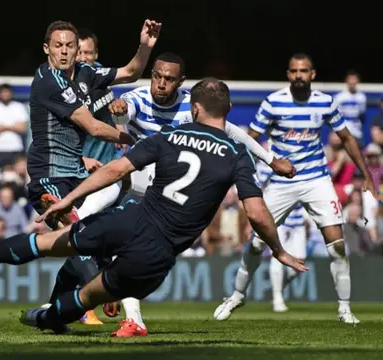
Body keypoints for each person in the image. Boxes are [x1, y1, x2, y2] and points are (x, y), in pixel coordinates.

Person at [0, 78, 308, 335]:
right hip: (156, 250)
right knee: (86, 297)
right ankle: (43, 317)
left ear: (195, 108)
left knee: (50, 242)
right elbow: (257, 213)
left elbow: (114, 169)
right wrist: (278, 250)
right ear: (228, 110)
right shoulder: (235, 156)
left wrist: (68, 199)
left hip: (128, 219)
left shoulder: (169, 136)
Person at [104, 51, 296, 337]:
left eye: (168, 79)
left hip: (170, 193)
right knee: (112, 200)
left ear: (180, 82)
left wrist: (270, 160)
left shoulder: (193, 107)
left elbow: (233, 132)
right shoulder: (138, 97)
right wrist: (119, 110)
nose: (160, 83)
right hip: (143, 177)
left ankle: (115, 292)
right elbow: (125, 109)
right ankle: (125, 307)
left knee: (135, 249)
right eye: (157, 76)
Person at [214, 53, 376, 324]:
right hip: (280, 183)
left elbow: (346, 138)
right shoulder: (273, 102)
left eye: (304, 71)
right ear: (288, 74)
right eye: (294, 71)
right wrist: (235, 169)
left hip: (317, 181)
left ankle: (345, 308)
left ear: (312, 74)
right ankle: (237, 295)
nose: (299, 75)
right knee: (255, 243)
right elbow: (250, 138)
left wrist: (367, 174)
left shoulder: (325, 102)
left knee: (337, 245)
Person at [25, 19, 160, 325]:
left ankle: (53, 313)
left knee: (88, 240)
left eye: (70, 46)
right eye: (58, 46)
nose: (65, 52)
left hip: (80, 175)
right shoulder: (49, 80)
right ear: (46, 49)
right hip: (50, 175)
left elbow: (130, 73)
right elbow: (94, 127)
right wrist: (138, 142)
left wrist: (145, 46)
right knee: (81, 237)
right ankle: (106, 293)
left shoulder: (86, 73)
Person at [255, 152, 307, 313]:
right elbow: (258, 187)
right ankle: (278, 298)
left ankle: (279, 290)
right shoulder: (269, 161)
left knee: (299, 262)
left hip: (297, 218)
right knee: (278, 256)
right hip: (277, 216)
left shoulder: (304, 159)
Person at [333, 71, 367, 146]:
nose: (352, 82)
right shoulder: (339, 97)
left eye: (354, 79)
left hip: (357, 133)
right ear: (346, 81)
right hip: (342, 131)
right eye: (350, 79)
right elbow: (334, 117)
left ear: (358, 81)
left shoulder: (362, 97)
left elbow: (361, 114)